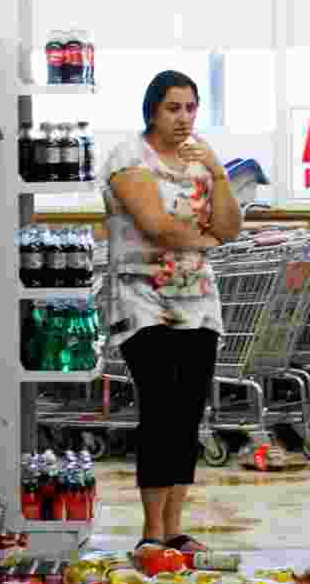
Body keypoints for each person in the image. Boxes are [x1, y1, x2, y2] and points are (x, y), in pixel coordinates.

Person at [102, 70, 241, 554]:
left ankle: (176, 528)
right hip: (144, 301)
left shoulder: (199, 159)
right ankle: (150, 531)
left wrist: (218, 171)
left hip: (199, 302)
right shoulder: (128, 157)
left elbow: (229, 227)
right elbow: (155, 224)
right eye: (173, 108)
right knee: (159, 410)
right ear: (152, 111)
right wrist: (203, 238)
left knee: (187, 414)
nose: (183, 118)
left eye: (190, 108)